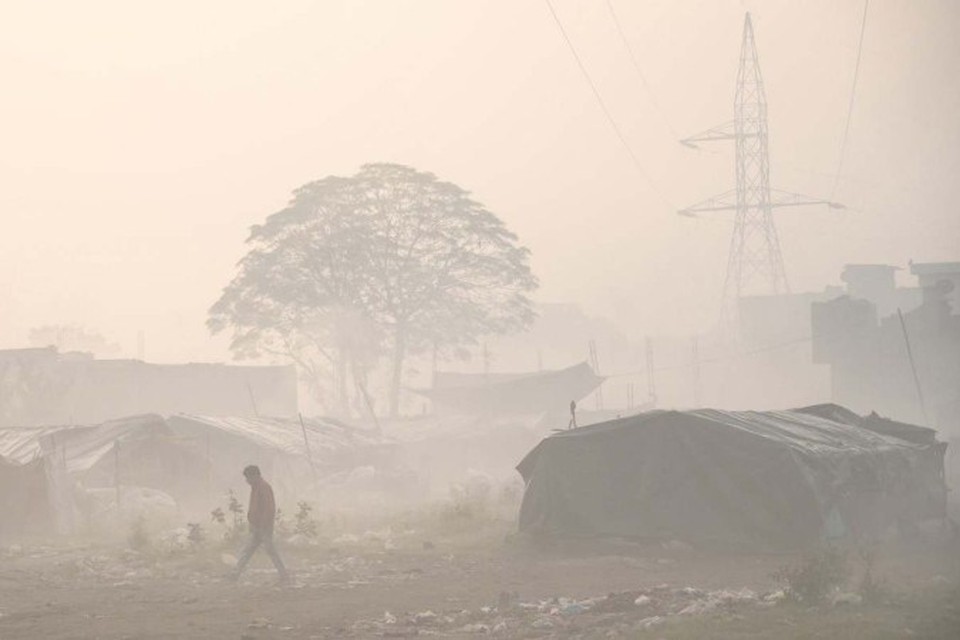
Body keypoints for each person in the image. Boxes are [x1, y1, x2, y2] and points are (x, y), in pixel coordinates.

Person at [232, 465, 288, 582]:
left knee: (268, 550)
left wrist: (262, 525)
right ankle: (235, 574)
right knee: (249, 550)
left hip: (263, 527)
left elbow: (269, 508)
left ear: (255, 476)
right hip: (257, 526)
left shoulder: (264, 487)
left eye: (248, 477)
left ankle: (284, 574)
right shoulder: (256, 487)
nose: (247, 481)